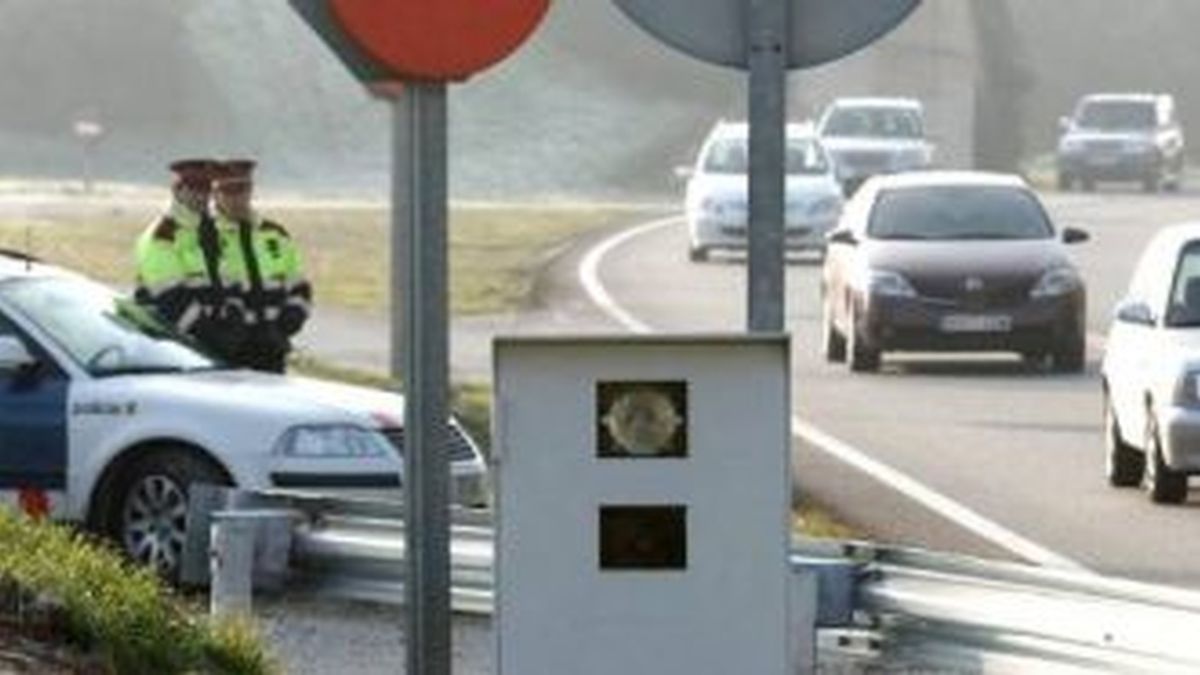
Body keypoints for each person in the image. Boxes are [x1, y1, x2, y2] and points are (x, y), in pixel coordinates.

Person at [134, 159, 247, 359]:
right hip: (172, 349)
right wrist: (212, 336)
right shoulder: (163, 235)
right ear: (177, 191)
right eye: (193, 188)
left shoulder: (213, 232)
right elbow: (171, 300)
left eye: (206, 188)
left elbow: (231, 281)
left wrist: (235, 323)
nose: (201, 195)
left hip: (211, 349)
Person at [210, 159, 312, 373]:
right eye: (228, 191)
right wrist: (227, 334)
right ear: (216, 194)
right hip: (229, 352)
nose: (236, 198)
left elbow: (300, 287)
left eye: (242, 189)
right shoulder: (206, 237)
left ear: (251, 190)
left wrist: (287, 324)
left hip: (272, 348)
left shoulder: (274, 233)